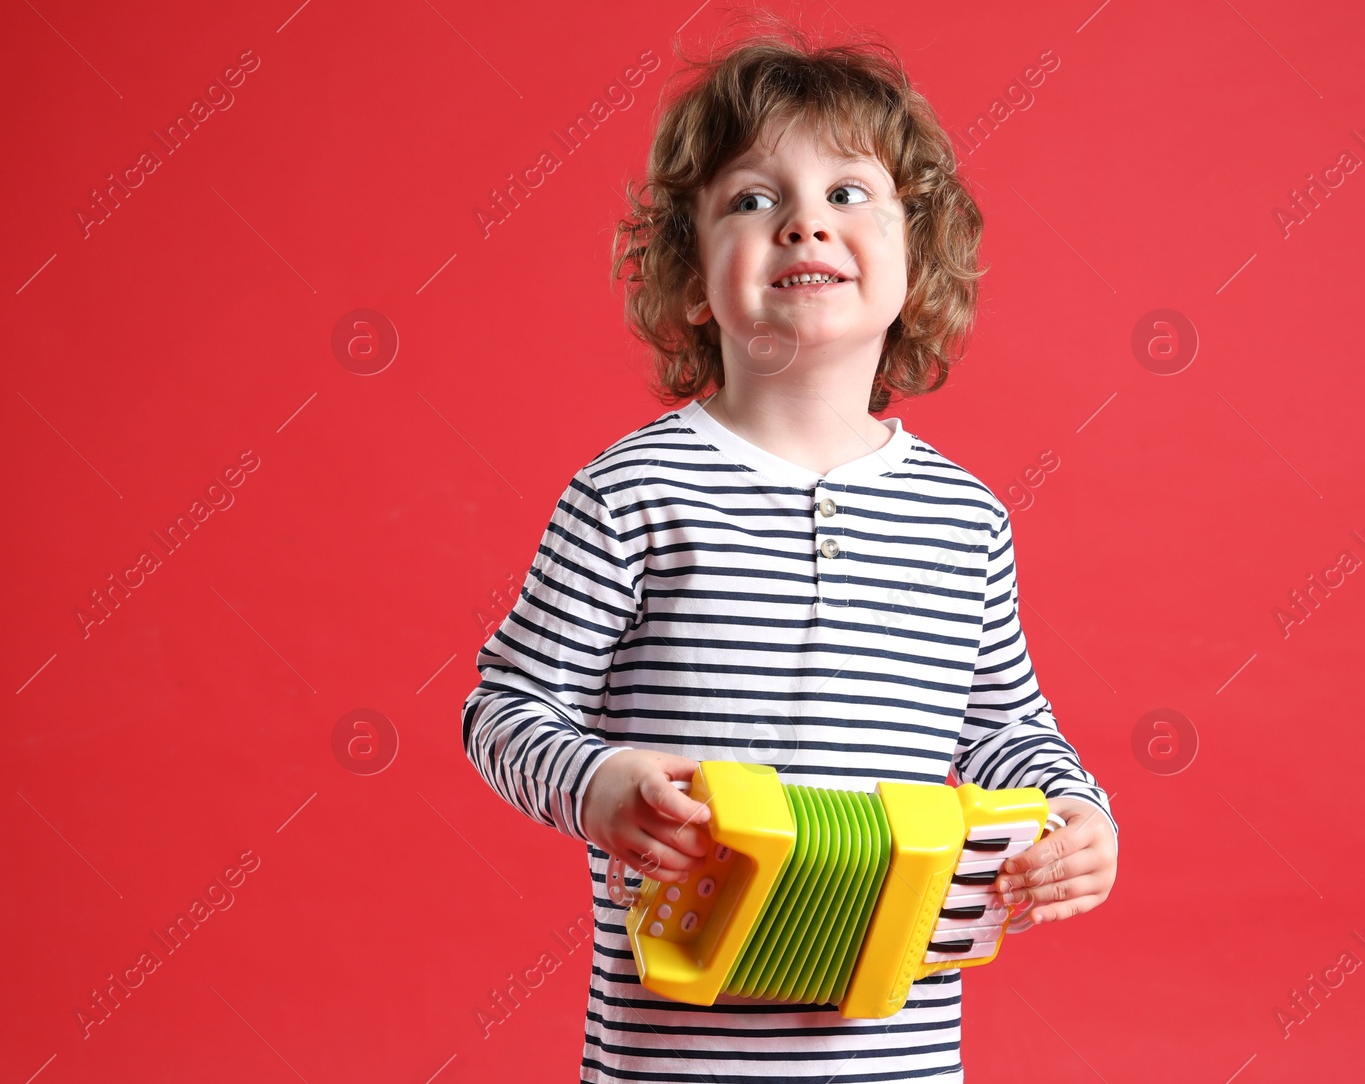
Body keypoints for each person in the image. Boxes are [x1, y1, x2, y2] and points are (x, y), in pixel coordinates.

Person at [461, 17, 1118, 1083]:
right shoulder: (631, 492)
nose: (804, 224)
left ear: (918, 255)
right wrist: (598, 785)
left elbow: (1006, 730)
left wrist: (1078, 810)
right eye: (752, 199)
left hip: (894, 1054)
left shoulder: (965, 517)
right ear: (689, 274)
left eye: (847, 195)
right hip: (673, 1053)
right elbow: (503, 709)